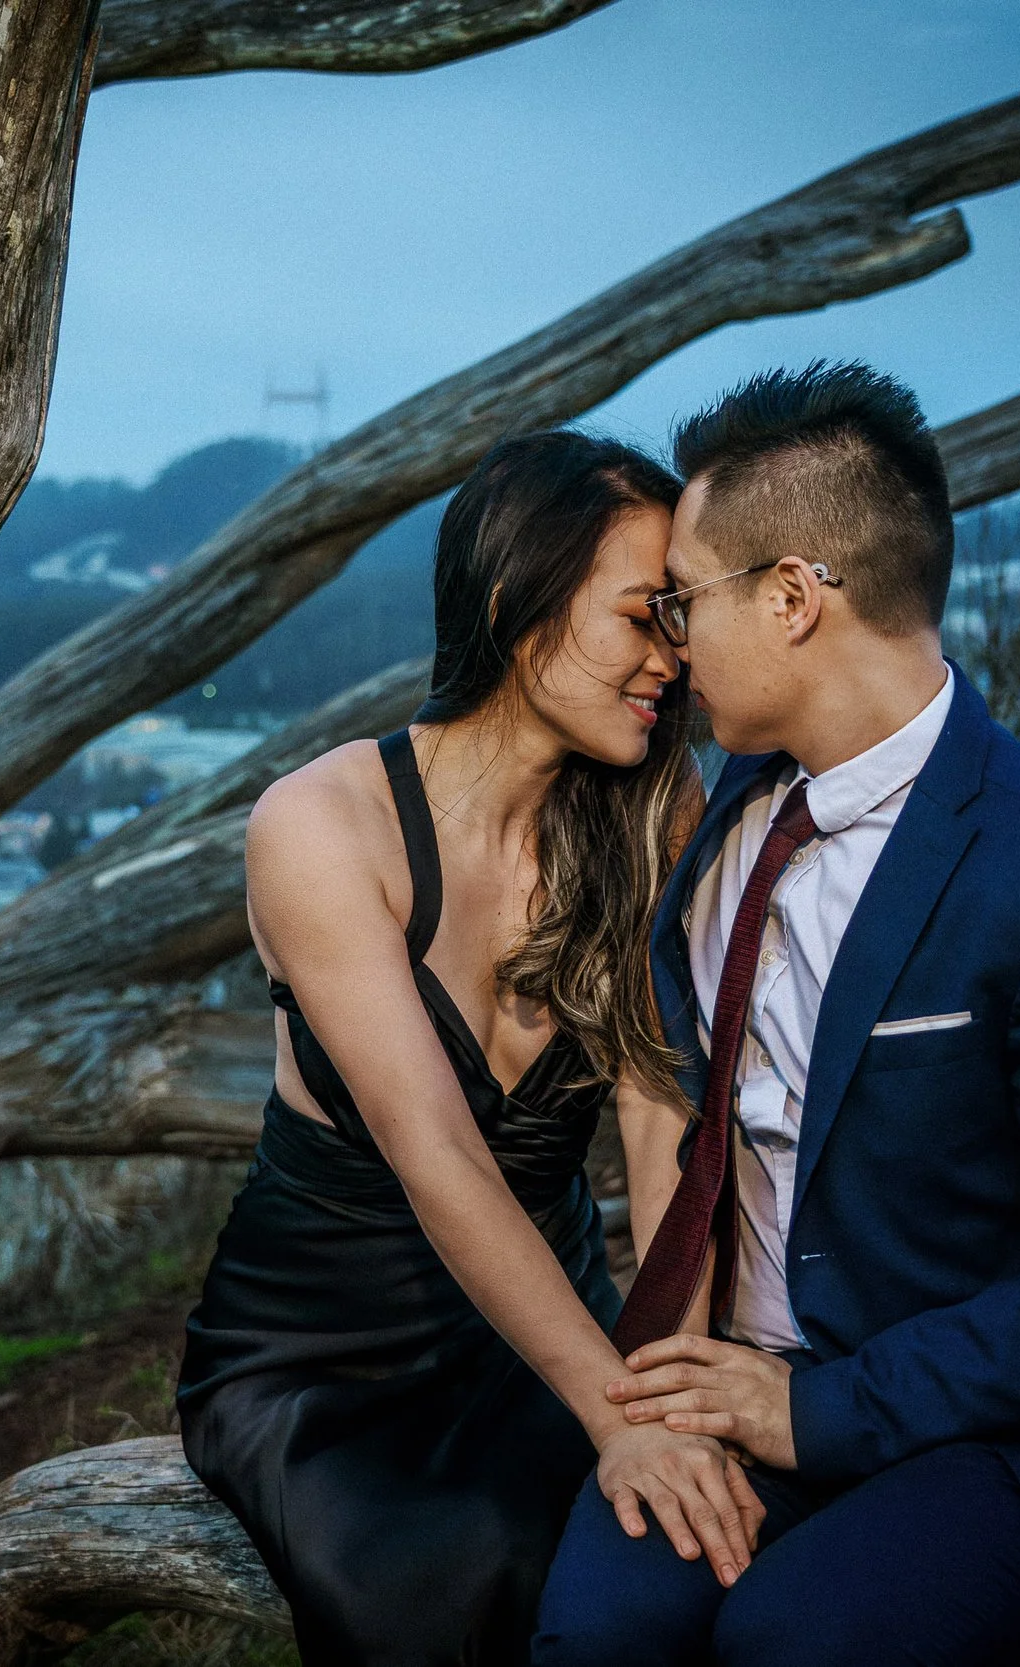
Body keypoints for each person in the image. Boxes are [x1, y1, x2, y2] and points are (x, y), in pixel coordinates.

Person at [530, 363, 1020, 1667]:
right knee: (597, 1632)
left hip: (1015, 1434)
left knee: (800, 1639)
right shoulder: (733, 803)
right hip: (744, 1387)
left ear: (794, 596)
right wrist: (686, 1375)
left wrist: (820, 1408)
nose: (672, 643)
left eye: (687, 600)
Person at [179, 432, 764, 1667]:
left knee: (681, 1568)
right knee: (459, 1570)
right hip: (321, 1363)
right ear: (515, 600)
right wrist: (618, 1418)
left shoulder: (658, 804)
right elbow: (436, 1150)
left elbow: (667, 1126)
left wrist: (670, 1392)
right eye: (639, 616)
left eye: (677, 617)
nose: (673, 656)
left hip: (549, 1333)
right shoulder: (323, 824)